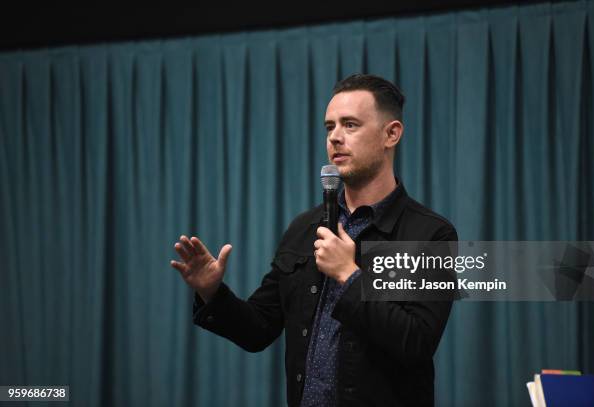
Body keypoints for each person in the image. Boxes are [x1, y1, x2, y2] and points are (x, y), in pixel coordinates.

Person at [171, 73, 457, 406]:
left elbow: (416, 342)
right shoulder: (303, 228)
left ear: (391, 134)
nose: (335, 137)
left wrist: (349, 277)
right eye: (329, 127)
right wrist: (211, 293)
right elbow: (258, 329)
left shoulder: (430, 234)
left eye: (350, 125)